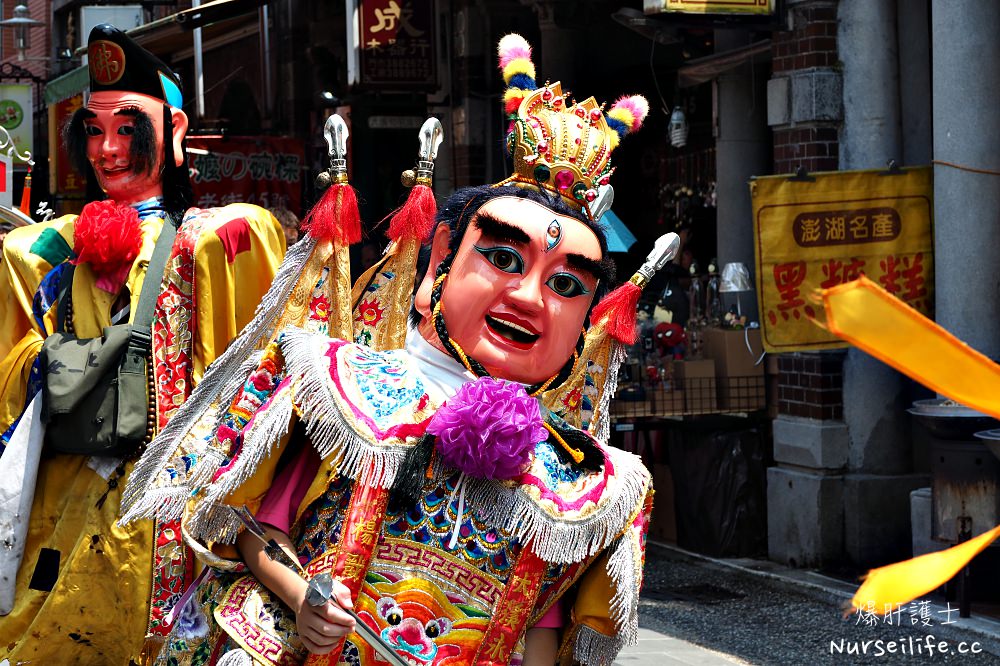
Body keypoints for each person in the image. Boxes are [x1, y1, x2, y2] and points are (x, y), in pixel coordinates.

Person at [123, 34, 659, 665]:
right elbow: (253, 525)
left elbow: (543, 628)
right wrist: (302, 599)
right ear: (438, 263)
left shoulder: (587, 480)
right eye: (503, 258)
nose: (530, 298)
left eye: (566, 285)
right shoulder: (336, 387)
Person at [0, 24, 285, 664]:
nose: (107, 149)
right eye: (93, 130)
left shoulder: (220, 240)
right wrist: (50, 365)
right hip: (64, 498)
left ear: (175, 130)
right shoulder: (39, 251)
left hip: (175, 517)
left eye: (128, 129)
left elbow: (265, 378)